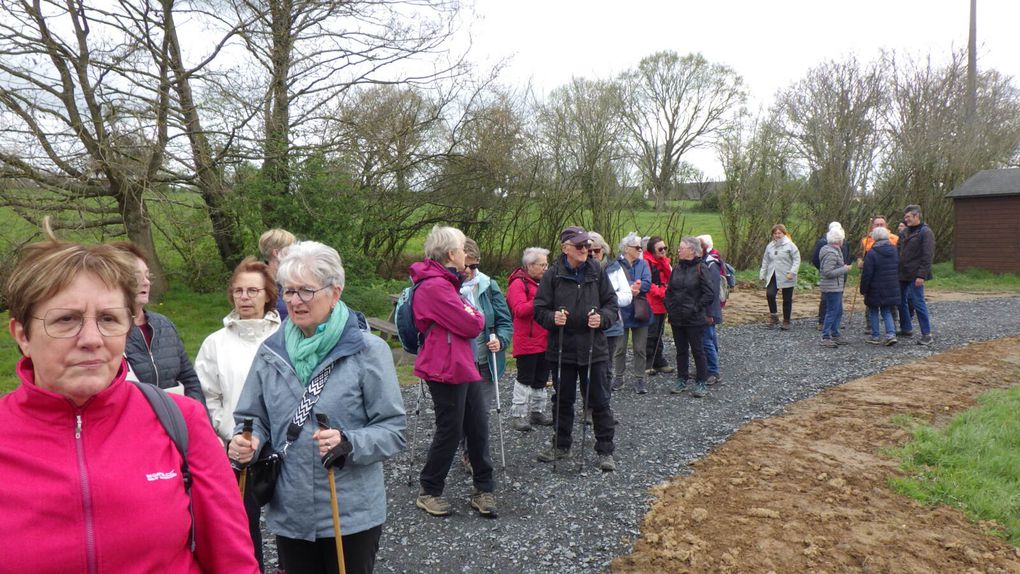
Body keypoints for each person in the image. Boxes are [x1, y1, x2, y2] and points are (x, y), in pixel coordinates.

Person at [1, 229, 257, 573]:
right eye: (66, 319)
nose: (91, 339)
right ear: (22, 335)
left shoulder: (182, 422)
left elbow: (234, 563)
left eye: (108, 319)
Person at [230, 241, 406, 573]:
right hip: (291, 512)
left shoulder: (369, 351)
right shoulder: (270, 351)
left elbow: (393, 430)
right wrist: (247, 441)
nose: (294, 302)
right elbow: (251, 417)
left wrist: (350, 442)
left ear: (334, 292)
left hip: (350, 515)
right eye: (288, 291)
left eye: (306, 292)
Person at [195, 257, 282, 571]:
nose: (245, 297)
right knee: (244, 526)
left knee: (293, 523)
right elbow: (206, 397)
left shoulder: (286, 339)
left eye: (253, 291)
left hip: (285, 446)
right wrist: (227, 433)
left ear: (267, 295)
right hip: (238, 450)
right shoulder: (215, 344)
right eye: (239, 291)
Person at [408, 226, 495, 518]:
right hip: (444, 368)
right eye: (461, 248)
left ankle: (484, 488)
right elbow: (473, 323)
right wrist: (473, 314)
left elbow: (469, 318)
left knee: (477, 425)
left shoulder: (446, 282)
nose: (466, 253)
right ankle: (429, 490)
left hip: (460, 363)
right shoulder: (435, 286)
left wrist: (471, 314)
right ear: (451, 254)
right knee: (451, 428)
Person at [534, 226, 619, 472]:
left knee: (600, 400)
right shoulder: (552, 275)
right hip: (562, 348)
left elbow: (612, 305)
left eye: (587, 246)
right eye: (580, 246)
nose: (585, 250)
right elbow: (539, 309)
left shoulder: (598, 271)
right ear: (565, 248)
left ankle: (605, 450)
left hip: (595, 347)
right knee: (562, 400)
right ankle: (561, 445)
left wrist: (602, 318)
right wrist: (553, 318)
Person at [113, 241, 205, 405]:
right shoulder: (107, 332)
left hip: (176, 420)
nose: (146, 282)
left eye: (148, 275)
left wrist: (194, 416)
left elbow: (189, 379)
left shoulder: (164, 325)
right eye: (136, 276)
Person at [458, 238, 512, 469]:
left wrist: (500, 340)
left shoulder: (489, 286)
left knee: (480, 413)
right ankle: (463, 445)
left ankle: (473, 455)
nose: (468, 271)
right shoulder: (447, 288)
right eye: (465, 266)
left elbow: (505, 321)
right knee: (460, 413)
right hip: (459, 362)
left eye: (473, 266)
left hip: (484, 361)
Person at [506, 247, 553, 432]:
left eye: (546, 264)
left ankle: (537, 412)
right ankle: (518, 415)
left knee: (541, 378)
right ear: (529, 265)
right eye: (542, 265)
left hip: (545, 338)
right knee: (525, 378)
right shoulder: (518, 284)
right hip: (527, 339)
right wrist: (540, 300)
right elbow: (519, 310)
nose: (545, 268)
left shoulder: (543, 283)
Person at [665, 237, 715, 398]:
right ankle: (682, 379)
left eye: (682, 247)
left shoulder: (701, 268)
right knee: (680, 350)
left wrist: (695, 308)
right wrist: (670, 307)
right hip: (676, 317)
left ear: (692, 250)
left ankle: (701, 381)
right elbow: (669, 291)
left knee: (698, 350)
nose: (678, 250)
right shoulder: (677, 268)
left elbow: (709, 294)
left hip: (694, 318)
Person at [610, 232, 649, 393]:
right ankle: (618, 377)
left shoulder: (643, 264)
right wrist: (631, 288)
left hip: (640, 310)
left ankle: (640, 379)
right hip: (622, 311)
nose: (640, 250)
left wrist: (635, 289)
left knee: (640, 348)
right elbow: (613, 285)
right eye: (637, 247)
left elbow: (647, 282)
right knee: (619, 348)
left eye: (641, 247)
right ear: (627, 249)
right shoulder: (615, 265)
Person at [898, 204, 936, 345]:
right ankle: (906, 328)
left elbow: (928, 256)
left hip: (916, 274)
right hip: (902, 273)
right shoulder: (904, 233)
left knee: (918, 302)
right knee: (900, 301)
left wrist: (921, 275)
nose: (905, 219)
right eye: (905, 216)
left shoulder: (926, 233)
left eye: (908, 217)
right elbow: (898, 251)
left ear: (916, 216)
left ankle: (927, 334)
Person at [860, 226, 901, 346]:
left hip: (875, 288)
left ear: (874, 238)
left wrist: (864, 289)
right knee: (886, 310)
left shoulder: (872, 253)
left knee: (873, 310)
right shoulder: (894, 250)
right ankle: (890, 334)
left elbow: (867, 274)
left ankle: (875, 335)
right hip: (891, 286)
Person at [759, 224, 801, 330]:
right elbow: (765, 260)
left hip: (787, 275)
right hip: (773, 274)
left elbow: (797, 260)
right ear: (772, 235)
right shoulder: (770, 246)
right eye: (775, 233)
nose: (777, 235)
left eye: (779, 233)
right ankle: (774, 316)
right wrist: (762, 273)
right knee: (770, 294)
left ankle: (786, 320)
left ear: (784, 233)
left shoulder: (790, 245)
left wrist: (792, 272)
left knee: (787, 298)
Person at [642, 235, 674, 375]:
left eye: (665, 248)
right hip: (651, 303)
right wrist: (663, 292)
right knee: (650, 334)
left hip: (661, 303)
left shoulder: (662, 262)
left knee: (659, 333)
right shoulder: (646, 262)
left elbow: (670, 277)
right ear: (652, 250)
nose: (663, 251)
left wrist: (665, 263)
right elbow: (647, 283)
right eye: (660, 249)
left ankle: (658, 360)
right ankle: (647, 363)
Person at [696, 235, 725, 385]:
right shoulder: (703, 262)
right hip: (705, 309)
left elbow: (712, 291)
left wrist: (710, 313)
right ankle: (709, 367)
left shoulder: (710, 264)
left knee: (707, 340)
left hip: (708, 309)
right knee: (710, 338)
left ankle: (713, 371)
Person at [811, 222, 849, 331]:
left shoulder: (844, 244)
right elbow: (820, 263)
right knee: (829, 305)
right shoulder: (825, 247)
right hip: (832, 282)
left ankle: (835, 330)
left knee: (837, 306)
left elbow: (847, 257)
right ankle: (825, 327)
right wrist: (843, 269)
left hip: (839, 279)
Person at [818, 227, 852, 347]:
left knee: (838, 311)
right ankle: (825, 336)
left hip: (835, 286)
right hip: (832, 287)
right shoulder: (832, 253)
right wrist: (844, 269)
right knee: (832, 311)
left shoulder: (833, 250)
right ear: (839, 240)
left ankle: (835, 333)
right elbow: (827, 272)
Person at [259, 228, 297, 320]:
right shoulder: (258, 284)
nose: (295, 253)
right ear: (276, 253)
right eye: (291, 249)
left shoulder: (290, 281)